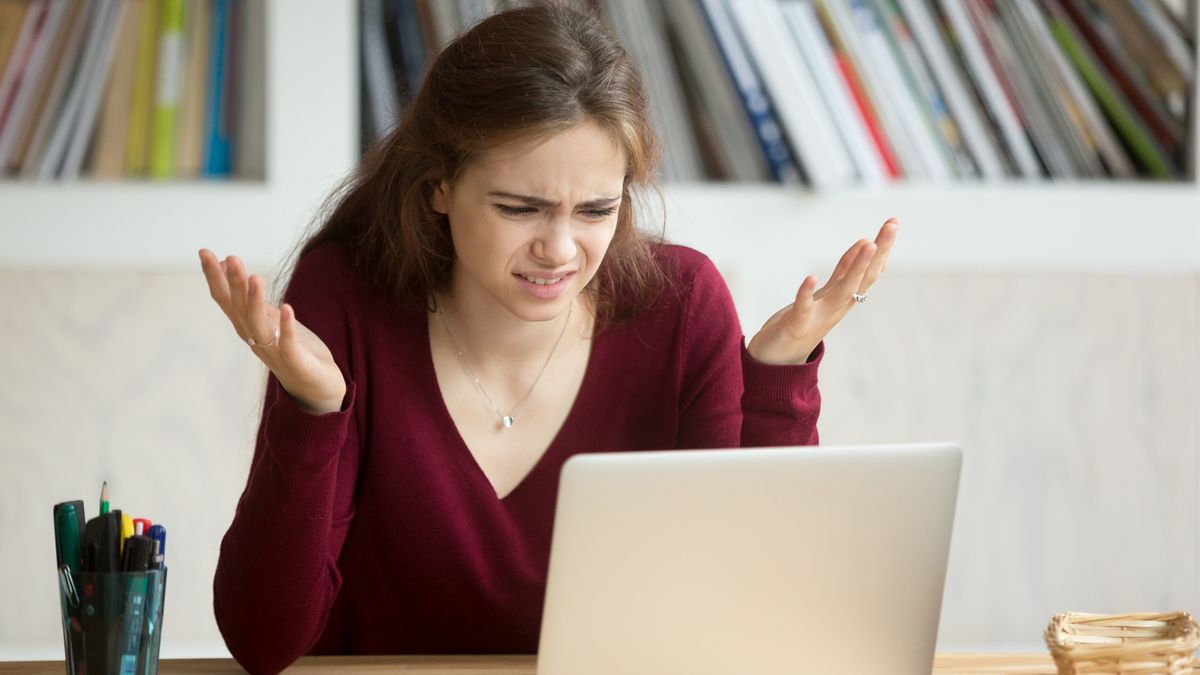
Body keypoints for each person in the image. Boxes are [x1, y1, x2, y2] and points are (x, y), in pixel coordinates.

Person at [200, 3, 896, 674]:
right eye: (519, 207)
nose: (560, 249)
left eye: (597, 209)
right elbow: (264, 640)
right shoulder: (345, 296)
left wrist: (775, 381)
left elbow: (756, 622)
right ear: (439, 183)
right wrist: (313, 409)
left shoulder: (682, 306)